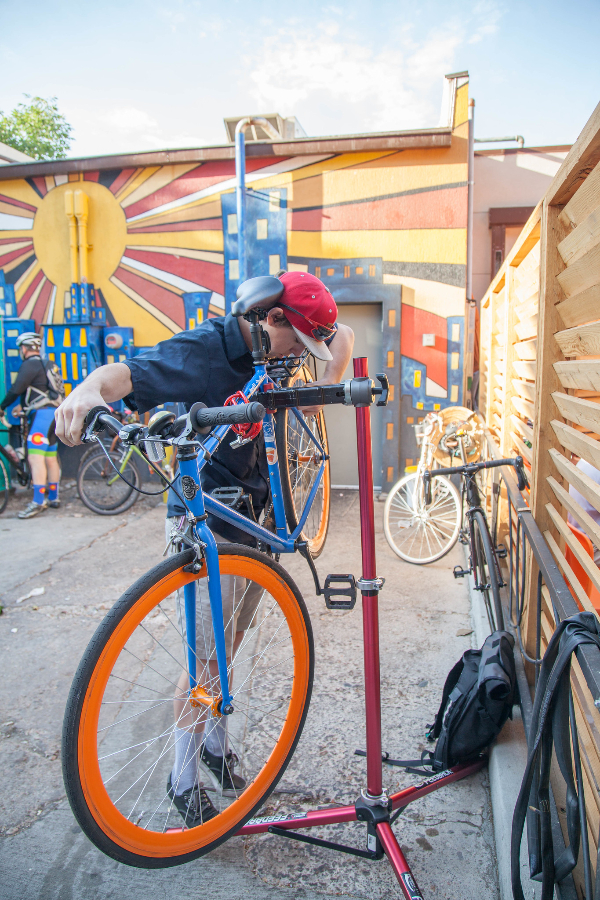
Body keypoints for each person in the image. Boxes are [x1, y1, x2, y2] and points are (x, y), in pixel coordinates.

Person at [55, 271, 354, 826]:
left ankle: (216, 747)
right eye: (300, 342)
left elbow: (344, 338)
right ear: (273, 320)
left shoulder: (289, 335)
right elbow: (128, 374)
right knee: (201, 661)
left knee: (232, 641)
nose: (303, 356)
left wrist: (327, 381)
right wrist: (86, 390)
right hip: (206, 513)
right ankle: (182, 775)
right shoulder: (205, 351)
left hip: (258, 511)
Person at [0, 332, 62, 519]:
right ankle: (53, 497)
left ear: (24, 348)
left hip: (41, 418)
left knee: (36, 458)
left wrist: (2, 406)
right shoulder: (48, 364)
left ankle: (37, 501)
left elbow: (15, 389)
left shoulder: (29, 365)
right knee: (50, 457)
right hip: (54, 416)